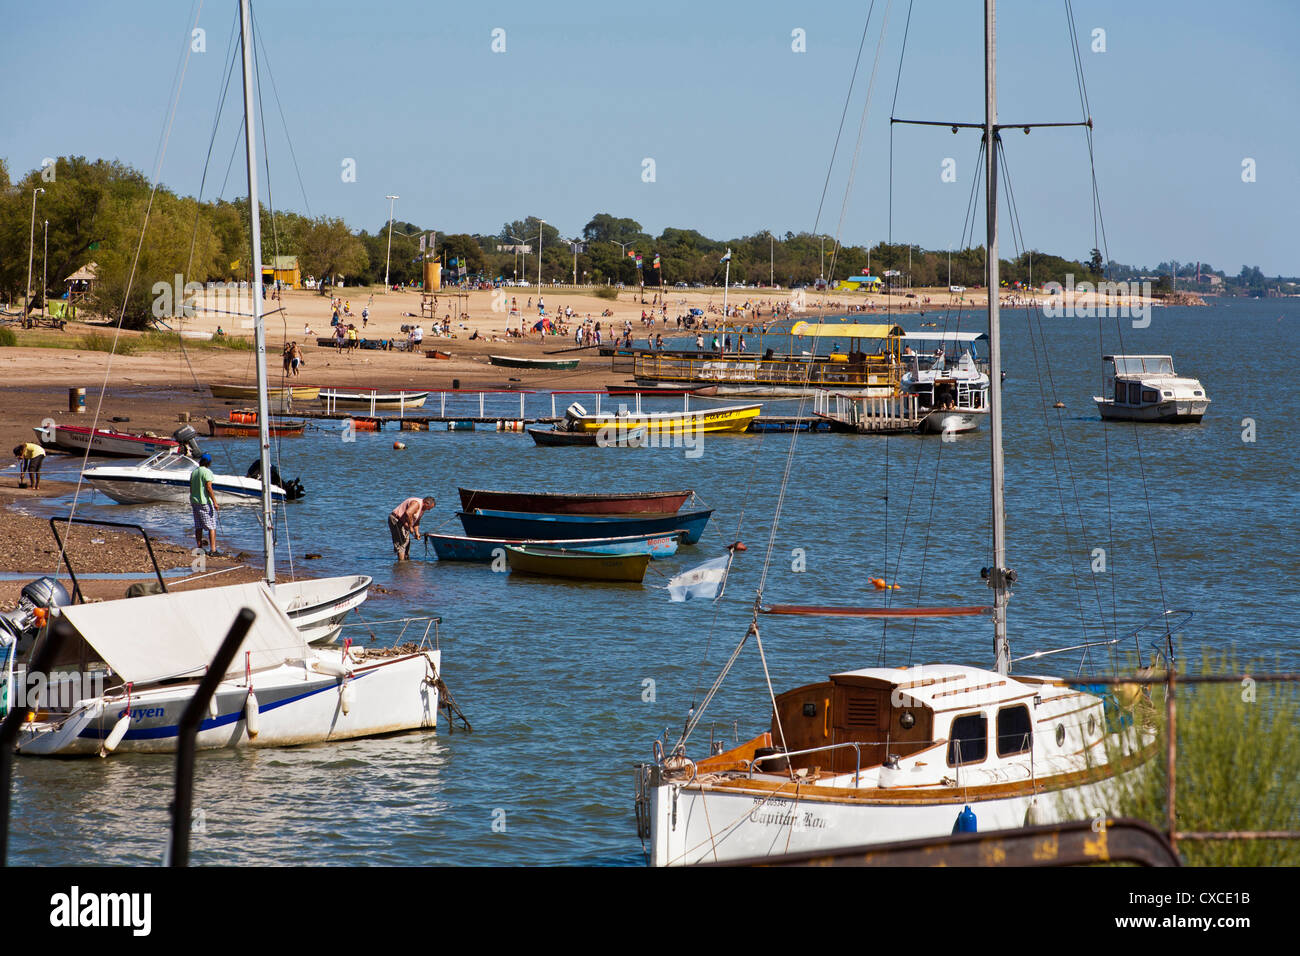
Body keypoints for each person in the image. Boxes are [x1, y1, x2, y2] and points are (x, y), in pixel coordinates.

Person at [388, 495, 436, 561]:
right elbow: (408, 513)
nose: (429, 510)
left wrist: (417, 532)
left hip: (403, 523)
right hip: (396, 520)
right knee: (402, 543)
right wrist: (410, 526)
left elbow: (417, 521)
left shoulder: (422, 509)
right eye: (429, 508)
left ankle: (406, 562)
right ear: (426, 503)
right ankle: (401, 564)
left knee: (407, 542)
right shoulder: (416, 503)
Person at [190, 452, 220, 555]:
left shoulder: (194, 472)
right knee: (212, 526)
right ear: (208, 462)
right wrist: (215, 502)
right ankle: (213, 550)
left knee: (198, 526)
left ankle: (199, 549)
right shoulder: (207, 472)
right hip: (204, 502)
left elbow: (191, 488)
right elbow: (208, 487)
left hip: (194, 501)